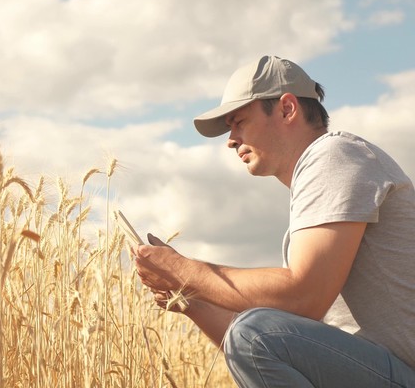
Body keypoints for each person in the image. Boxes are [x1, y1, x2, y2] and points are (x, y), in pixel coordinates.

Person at [134, 55, 415, 387]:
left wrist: (185, 270)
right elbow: (265, 348)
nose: (231, 139)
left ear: (287, 109)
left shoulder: (334, 154)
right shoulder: (317, 189)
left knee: (252, 331)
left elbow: (303, 297)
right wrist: (190, 298)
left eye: (238, 121)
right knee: (251, 332)